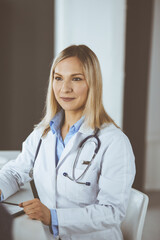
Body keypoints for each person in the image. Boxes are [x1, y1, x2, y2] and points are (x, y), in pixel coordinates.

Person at [0, 45, 136, 240]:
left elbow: (112, 211)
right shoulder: (43, 133)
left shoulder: (114, 142)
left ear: (92, 83)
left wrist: (53, 217)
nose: (65, 88)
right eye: (58, 78)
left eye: (76, 78)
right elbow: (15, 171)